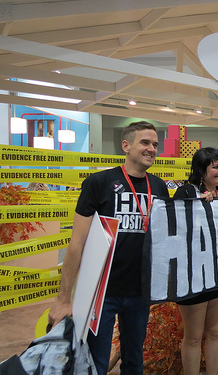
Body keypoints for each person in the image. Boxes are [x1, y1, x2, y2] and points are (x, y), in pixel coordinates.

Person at [48, 121, 169, 375]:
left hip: (140, 291)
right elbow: (76, 244)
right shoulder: (99, 182)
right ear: (126, 146)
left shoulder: (158, 187)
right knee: (95, 362)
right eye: (145, 142)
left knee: (135, 360)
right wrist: (63, 299)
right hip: (100, 293)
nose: (151, 149)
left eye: (155, 144)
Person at [173, 147, 218, 375]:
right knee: (194, 335)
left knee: (216, 332)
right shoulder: (186, 193)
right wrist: (197, 206)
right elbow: (176, 230)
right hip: (193, 275)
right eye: (215, 166)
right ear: (201, 169)